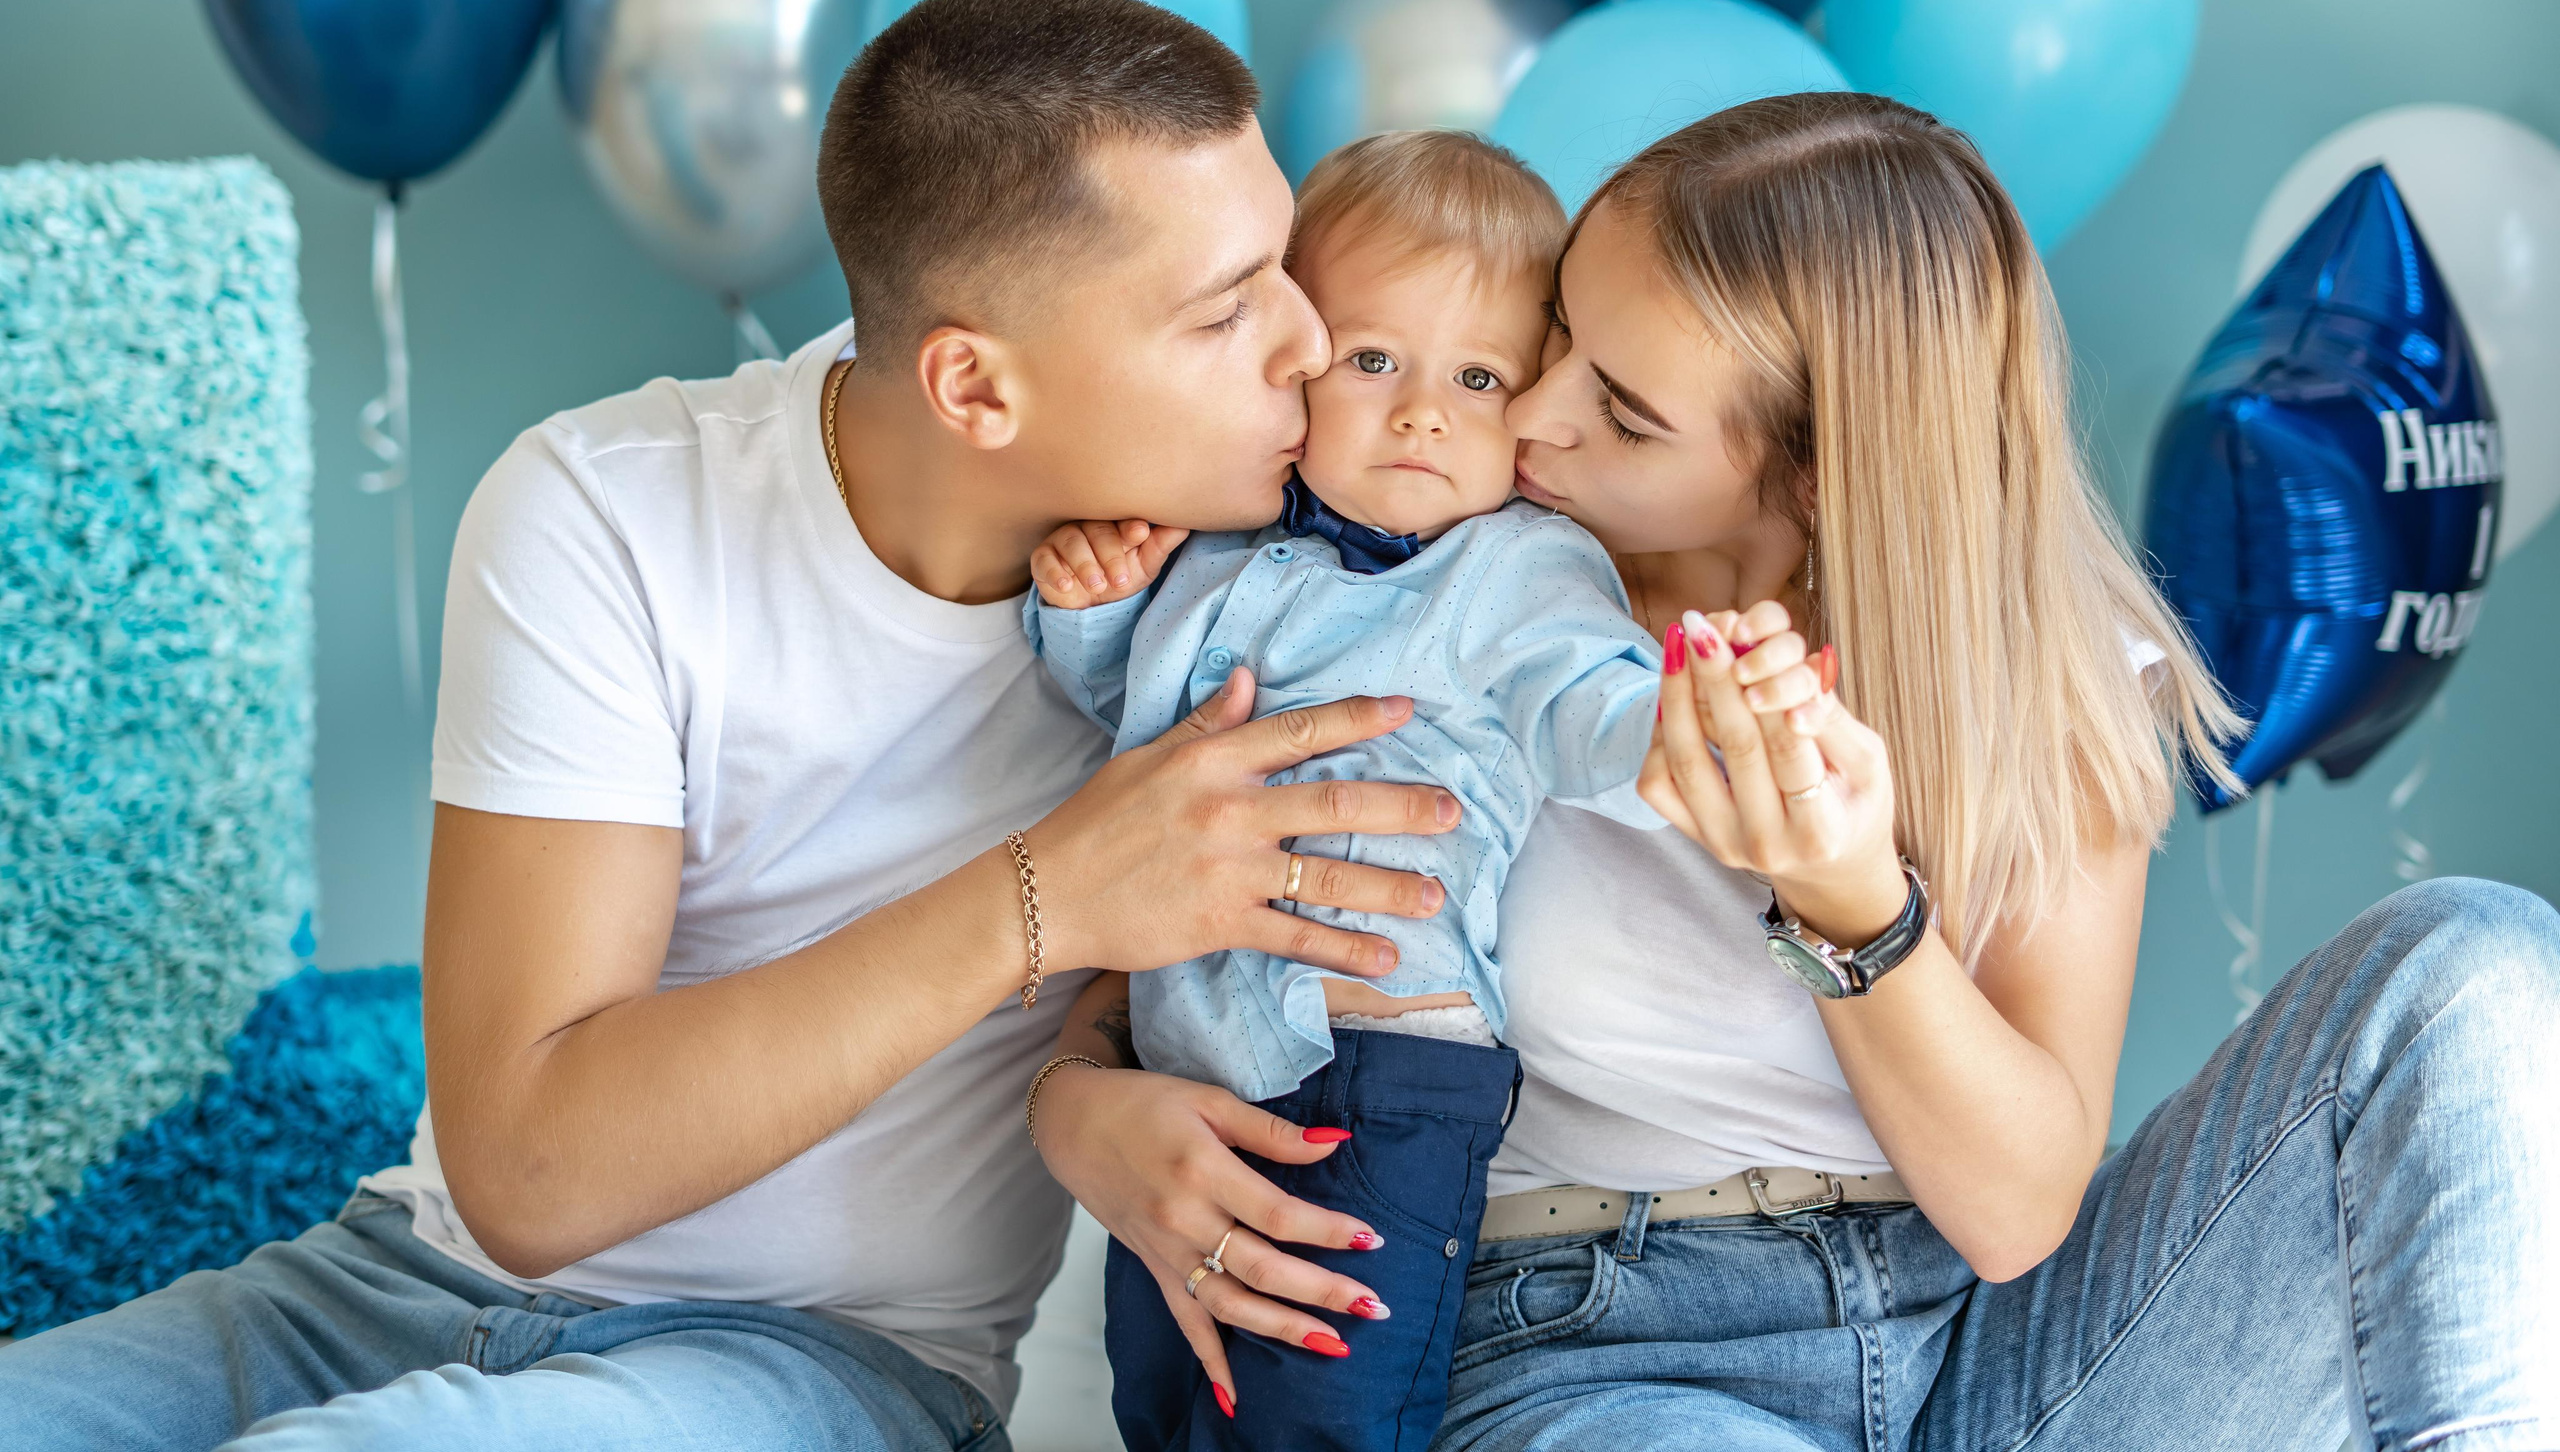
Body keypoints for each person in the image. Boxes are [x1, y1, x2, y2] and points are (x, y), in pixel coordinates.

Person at [0, 0, 1461, 1451]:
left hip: (822, 1367)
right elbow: (529, 1178)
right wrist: (1054, 891)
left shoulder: (1272, 597)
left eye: (1282, 268)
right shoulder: (608, 509)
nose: (1309, 345)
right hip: (390, 1285)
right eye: (1225, 310)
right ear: (975, 386)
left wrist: (1085, 1087)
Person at [1031, 92, 2560, 1450]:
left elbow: (2022, 1210)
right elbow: (1176, 927)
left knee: (2478, 962)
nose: (1535, 415)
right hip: (1585, 1345)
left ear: (1819, 474)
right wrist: (1077, 1112)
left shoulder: (2041, 659)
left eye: (1618, 407)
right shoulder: (1468, 584)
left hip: (1985, 1349)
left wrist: (1848, 901)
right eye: (1560, 336)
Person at [1024, 131, 1662, 1451]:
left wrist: (1675, 729)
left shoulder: (1517, 568)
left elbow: (1585, 702)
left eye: (1478, 377)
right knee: (1163, 1392)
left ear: (1533, 412)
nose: (1423, 412)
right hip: (1181, 1063)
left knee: (1326, 1410)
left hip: (1380, 1066)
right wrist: (1086, 609)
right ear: (1293, 364)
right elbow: (1119, 705)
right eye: (1374, 360)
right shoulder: (1212, 547)